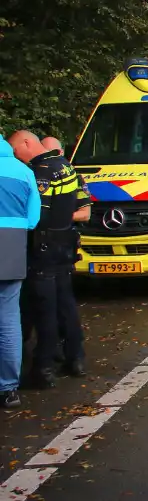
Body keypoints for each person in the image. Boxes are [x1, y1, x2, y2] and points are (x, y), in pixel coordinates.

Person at [7, 131, 90, 389]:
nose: (15, 156)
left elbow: (37, 216)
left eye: (15, 149)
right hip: (65, 244)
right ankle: (75, 358)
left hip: (44, 247)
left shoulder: (40, 172)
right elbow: (80, 207)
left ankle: (43, 368)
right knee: (65, 303)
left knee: (44, 308)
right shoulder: (66, 167)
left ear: (26, 143)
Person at [0, 136, 40, 408]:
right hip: (12, 245)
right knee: (9, 318)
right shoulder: (24, 171)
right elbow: (33, 219)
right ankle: (8, 388)